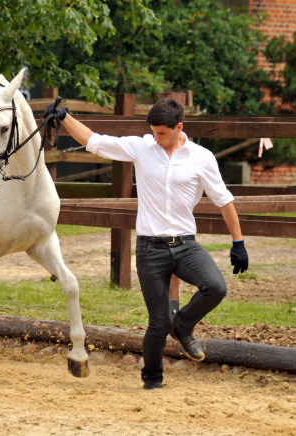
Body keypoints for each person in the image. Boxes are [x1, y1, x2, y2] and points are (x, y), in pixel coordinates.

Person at [44, 98, 249, 390]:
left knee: (216, 287)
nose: (156, 138)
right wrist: (64, 117)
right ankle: (152, 380)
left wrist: (238, 241)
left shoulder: (201, 157)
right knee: (158, 321)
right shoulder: (142, 148)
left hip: (186, 245)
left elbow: (224, 199)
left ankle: (184, 325)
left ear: (180, 127)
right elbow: (95, 141)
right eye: (153, 131)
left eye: (162, 133)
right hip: (150, 249)